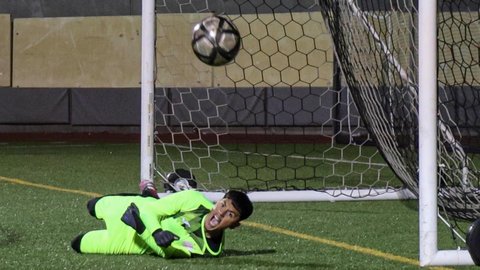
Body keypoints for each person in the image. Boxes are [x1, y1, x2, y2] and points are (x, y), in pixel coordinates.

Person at [70, 181, 253, 258]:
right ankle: (149, 194)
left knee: (77, 244)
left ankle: (150, 193)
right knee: (92, 205)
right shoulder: (194, 199)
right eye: (223, 205)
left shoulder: (205, 249)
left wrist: (142, 229)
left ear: (235, 225)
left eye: (230, 214)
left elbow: (165, 252)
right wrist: (157, 232)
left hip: (135, 242)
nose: (221, 214)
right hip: (138, 209)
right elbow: (150, 211)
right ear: (218, 202)